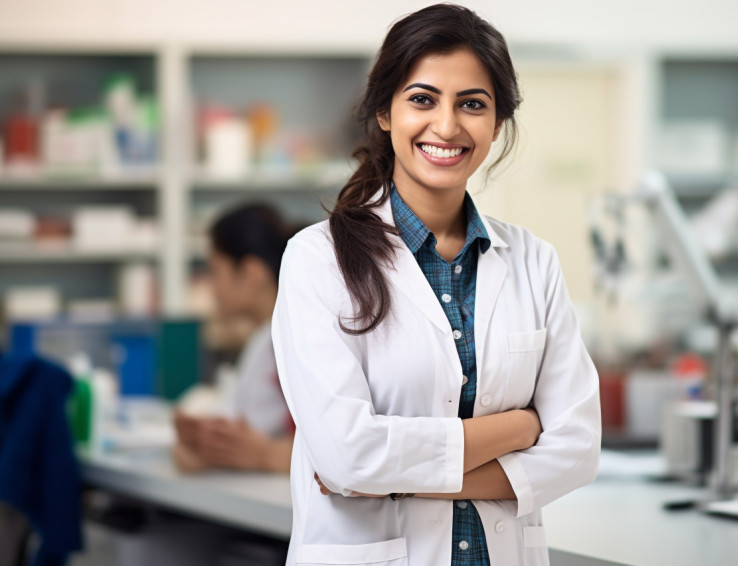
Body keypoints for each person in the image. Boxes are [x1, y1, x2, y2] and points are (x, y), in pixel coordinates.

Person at [271, 4, 601, 566]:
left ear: (497, 124)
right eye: (422, 99)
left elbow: (576, 450)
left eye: (472, 104)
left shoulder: (533, 262)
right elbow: (348, 456)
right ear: (384, 111)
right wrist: (518, 428)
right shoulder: (315, 260)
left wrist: (396, 478)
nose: (446, 127)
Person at [173, 203, 295, 474]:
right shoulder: (264, 341)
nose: (211, 287)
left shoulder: (297, 337)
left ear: (252, 273)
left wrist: (269, 456)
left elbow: (338, 451)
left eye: (215, 271)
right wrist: (201, 442)